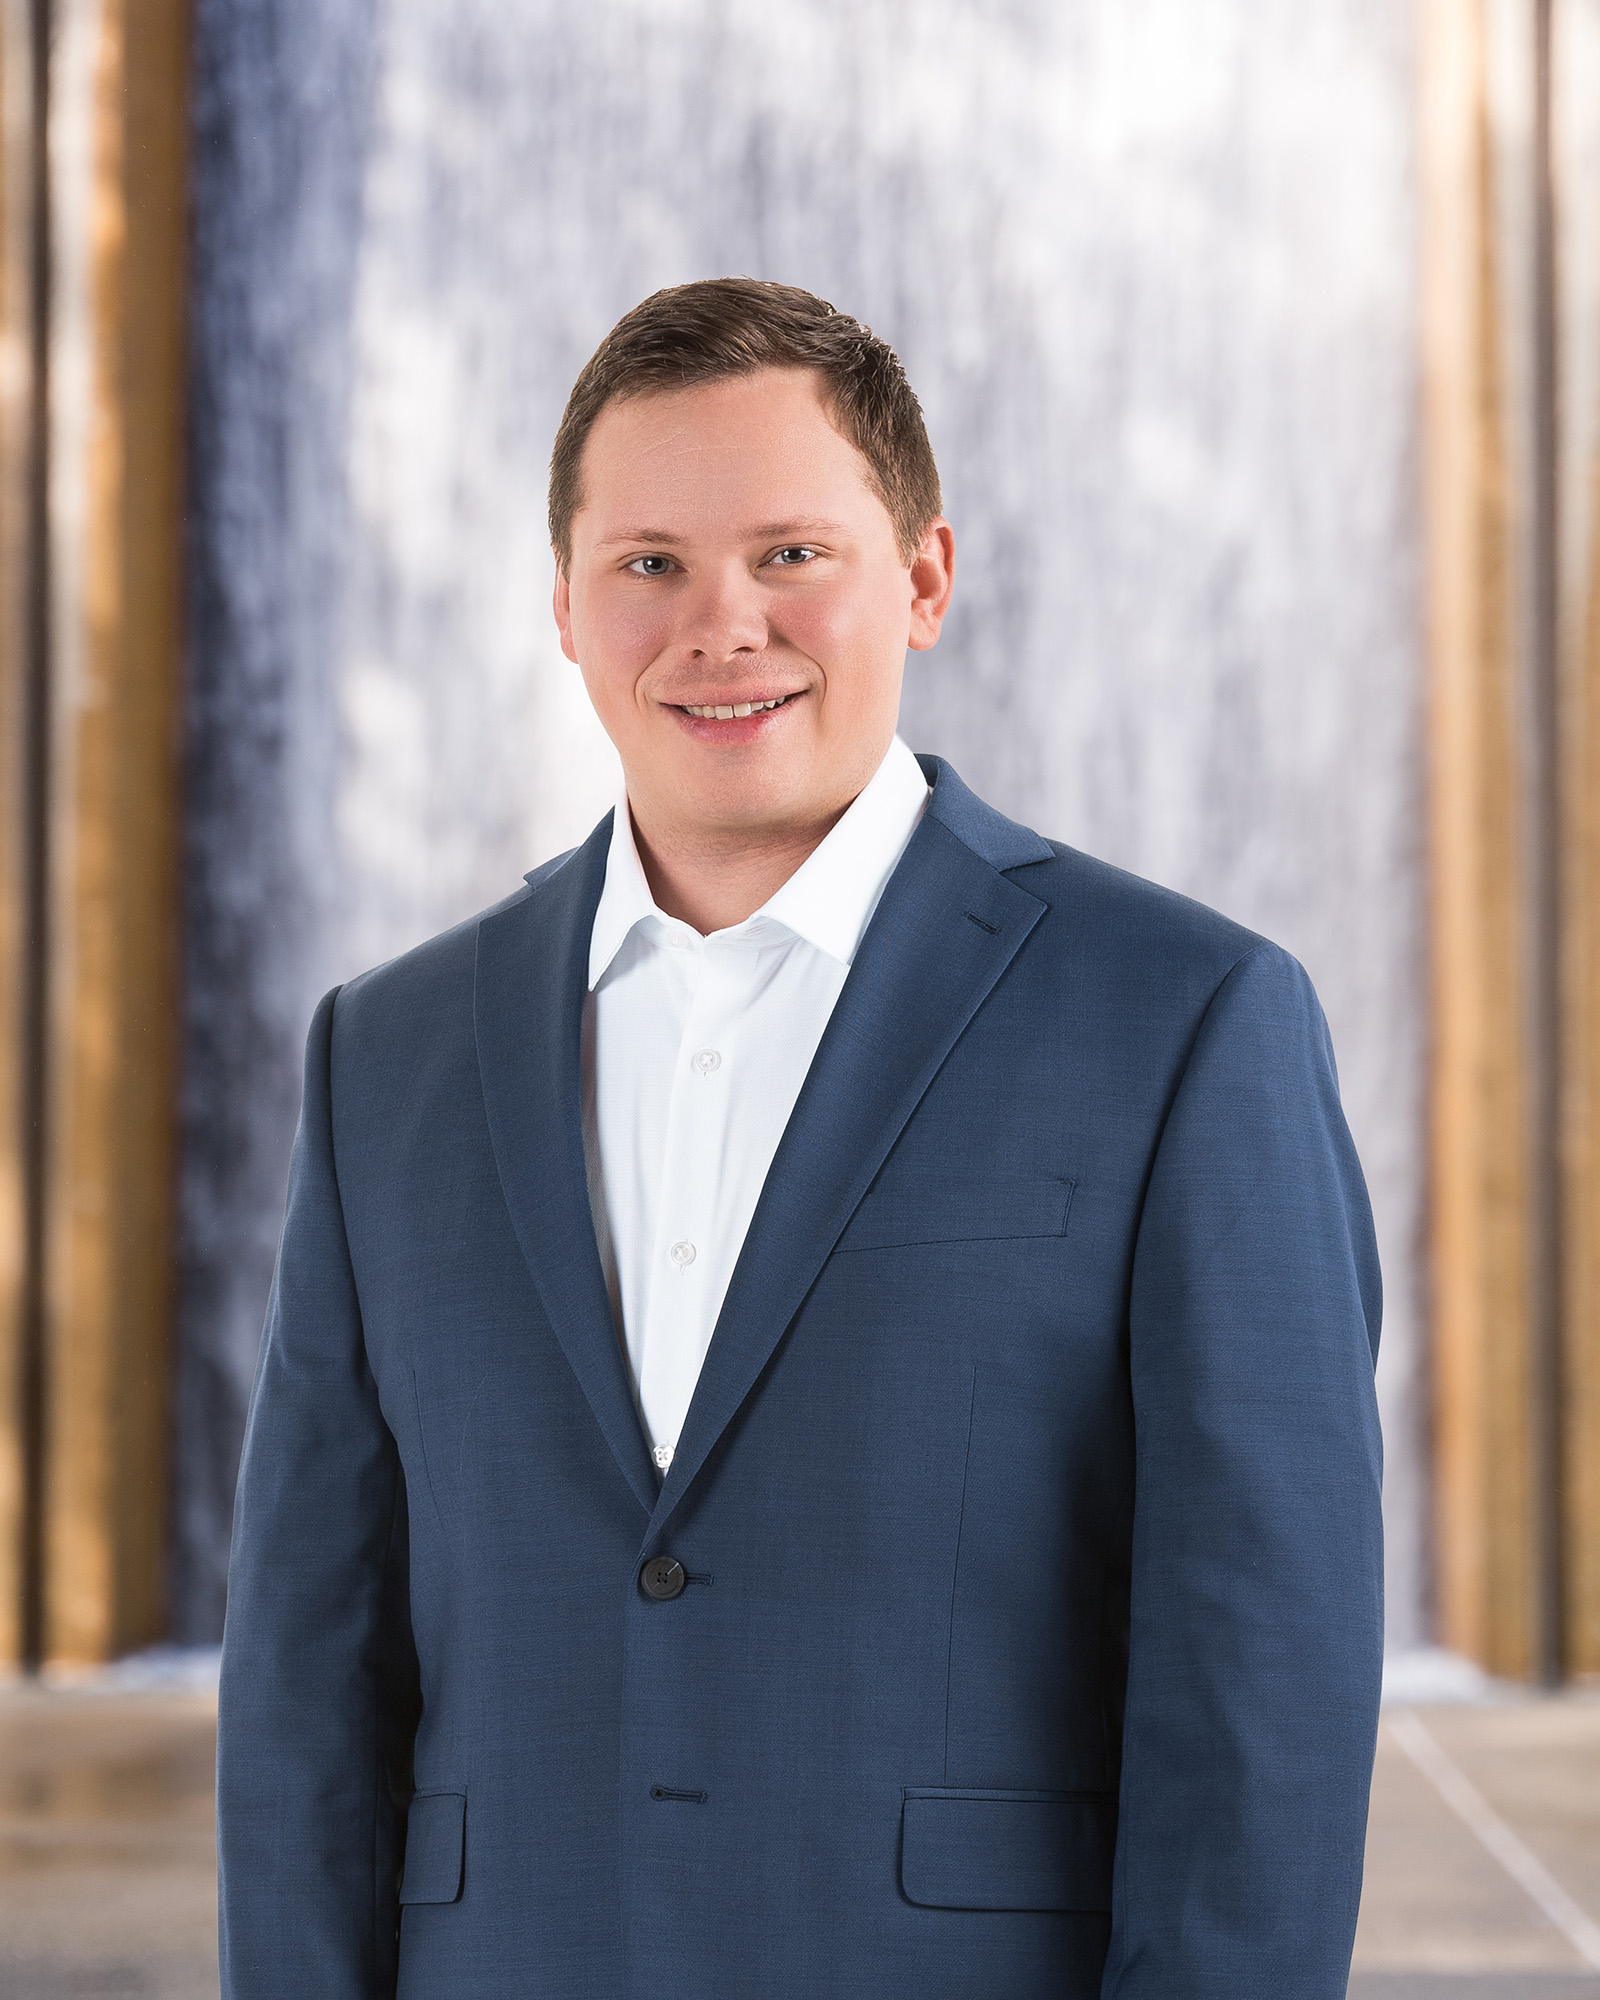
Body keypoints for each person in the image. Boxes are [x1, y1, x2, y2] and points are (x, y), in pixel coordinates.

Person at [216, 278, 1383, 1999]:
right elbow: (307, 1679)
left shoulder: (1188, 1019)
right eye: (650, 563)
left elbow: (1264, 1678)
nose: (722, 625)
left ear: (923, 578)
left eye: (790, 554)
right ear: (563, 607)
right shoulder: (383, 1055)